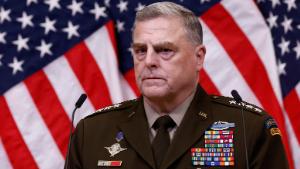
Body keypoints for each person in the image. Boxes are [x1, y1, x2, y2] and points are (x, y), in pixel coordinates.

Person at [66, 2, 289, 169]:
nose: (149, 61)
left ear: (198, 57)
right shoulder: (91, 133)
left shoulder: (248, 129)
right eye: (141, 50)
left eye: (165, 50)